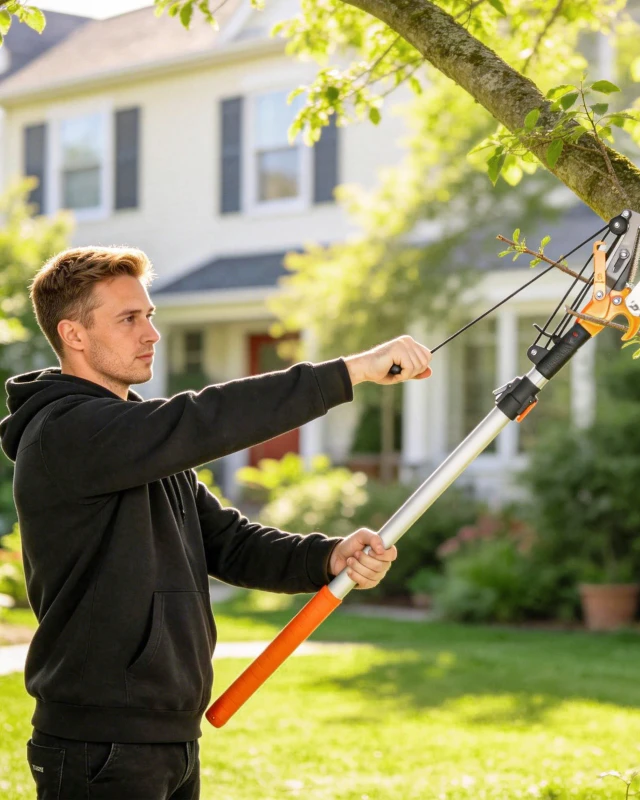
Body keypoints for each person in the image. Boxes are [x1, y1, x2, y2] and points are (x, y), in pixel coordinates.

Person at [0, 246, 433, 799]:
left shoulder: (135, 439)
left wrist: (327, 557)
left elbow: (227, 543)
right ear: (75, 335)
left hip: (170, 737)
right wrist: (349, 372)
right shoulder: (67, 434)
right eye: (129, 319)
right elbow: (205, 419)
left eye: (149, 315)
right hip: (100, 745)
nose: (151, 333)